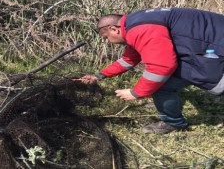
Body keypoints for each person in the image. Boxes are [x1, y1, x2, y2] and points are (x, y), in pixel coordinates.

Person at [79, 7, 224, 134]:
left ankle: (174, 122)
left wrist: (136, 93)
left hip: (215, 47)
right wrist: (99, 75)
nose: (108, 41)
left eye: (106, 38)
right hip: (203, 46)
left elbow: (161, 66)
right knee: (161, 86)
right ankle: (173, 123)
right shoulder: (135, 22)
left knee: (216, 82)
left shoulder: (140, 29)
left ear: (113, 29)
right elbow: (129, 59)